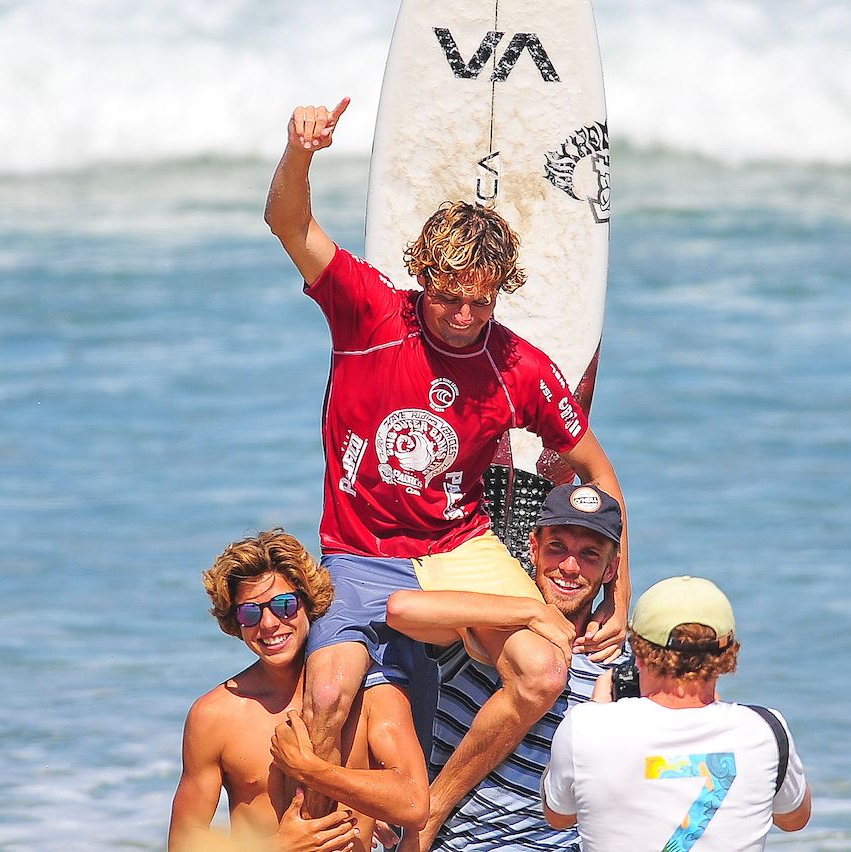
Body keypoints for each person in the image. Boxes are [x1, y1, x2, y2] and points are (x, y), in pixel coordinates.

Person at [263, 96, 627, 829]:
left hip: (457, 548)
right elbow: (289, 223)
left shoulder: (517, 366)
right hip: (361, 552)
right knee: (326, 703)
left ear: (500, 293)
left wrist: (619, 591)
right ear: (422, 276)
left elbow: (598, 473)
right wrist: (301, 151)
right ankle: (311, 840)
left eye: (479, 302)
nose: (462, 315)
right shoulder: (367, 310)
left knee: (544, 672)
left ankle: (430, 815)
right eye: (448, 296)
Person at [385, 484, 630, 852]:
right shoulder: (496, 625)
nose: (569, 566)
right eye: (556, 547)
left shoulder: (624, 666)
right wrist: (531, 612)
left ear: (611, 569)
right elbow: (402, 610)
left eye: (590, 554)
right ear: (533, 548)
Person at [168, 530, 429, 852]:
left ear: (308, 602)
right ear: (234, 622)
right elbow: (183, 841)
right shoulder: (215, 715)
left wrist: (314, 770)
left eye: (283, 605)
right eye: (250, 612)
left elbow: (413, 803)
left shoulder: (371, 692)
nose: (268, 624)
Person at [541, 576, 812, 852]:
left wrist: (597, 709)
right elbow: (794, 819)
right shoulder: (766, 732)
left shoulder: (586, 729)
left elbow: (559, 816)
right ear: (728, 652)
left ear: (639, 652)